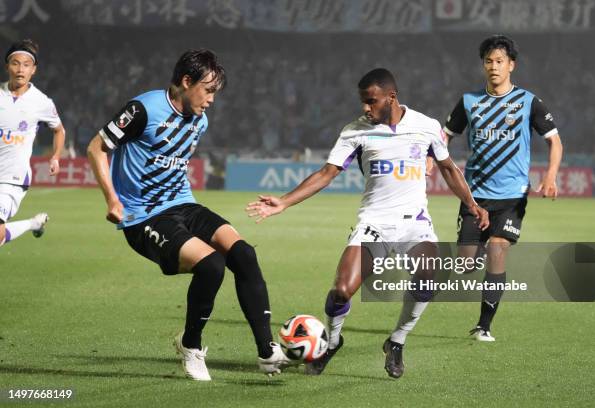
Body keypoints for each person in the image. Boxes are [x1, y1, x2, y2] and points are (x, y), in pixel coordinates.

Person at [247, 68, 489, 378]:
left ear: (391, 97)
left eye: (371, 101)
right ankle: (332, 342)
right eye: (362, 101)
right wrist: (284, 201)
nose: (365, 108)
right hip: (374, 224)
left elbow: (449, 168)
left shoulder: (426, 126)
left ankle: (397, 341)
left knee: (428, 277)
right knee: (341, 292)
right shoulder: (355, 131)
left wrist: (472, 205)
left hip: (414, 223)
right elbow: (326, 173)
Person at [86, 49, 289, 381]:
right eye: (207, 90)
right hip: (143, 216)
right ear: (185, 81)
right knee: (211, 265)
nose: (211, 100)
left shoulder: (200, 120)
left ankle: (267, 352)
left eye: (215, 93)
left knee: (244, 254)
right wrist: (112, 199)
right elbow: (97, 147)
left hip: (183, 204)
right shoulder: (142, 110)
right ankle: (190, 346)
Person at [443, 35, 563, 341]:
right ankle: (479, 250)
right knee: (466, 265)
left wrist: (550, 175)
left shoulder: (528, 102)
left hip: (512, 196)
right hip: (474, 196)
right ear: (483, 65)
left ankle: (483, 326)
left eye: (499, 61)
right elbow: (445, 135)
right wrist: (434, 159)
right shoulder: (469, 102)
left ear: (511, 65)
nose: (494, 67)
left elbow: (554, 140)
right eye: (488, 61)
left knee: (498, 250)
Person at [0, 39, 65, 248]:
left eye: (26, 65)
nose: (20, 70)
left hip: (12, 178)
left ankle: (31, 223)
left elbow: (59, 130)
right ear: (7, 66)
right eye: (16, 63)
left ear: (33, 70)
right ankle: (33, 223)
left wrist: (55, 156)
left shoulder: (41, 102)